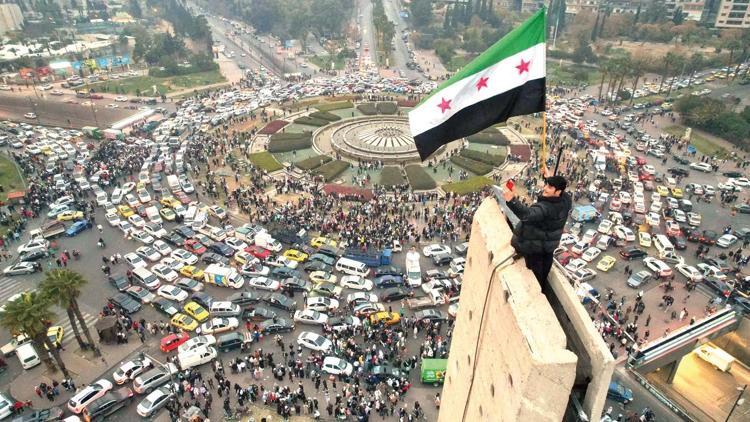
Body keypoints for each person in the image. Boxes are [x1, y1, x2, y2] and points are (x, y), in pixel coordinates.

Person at [503, 173, 572, 294]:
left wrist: (511, 200)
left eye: (550, 187)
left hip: (533, 248)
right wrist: (549, 178)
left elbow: (527, 215)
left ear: (558, 192)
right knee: (543, 274)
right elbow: (561, 190)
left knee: (535, 280)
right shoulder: (566, 200)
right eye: (546, 185)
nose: (545, 188)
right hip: (547, 248)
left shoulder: (545, 208)